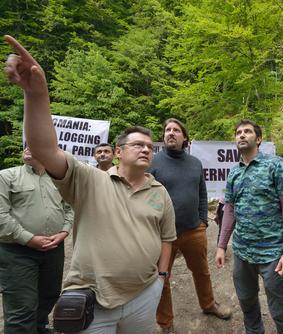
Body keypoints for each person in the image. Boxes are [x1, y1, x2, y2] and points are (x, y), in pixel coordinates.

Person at [4, 35, 177, 334]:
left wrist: (161, 278)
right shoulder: (89, 179)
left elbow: (167, 238)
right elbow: (45, 150)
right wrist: (36, 96)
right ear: (118, 152)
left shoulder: (159, 192)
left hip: (145, 295)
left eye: (150, 146)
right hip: (94, 301)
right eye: (138, 144)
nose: (147, 149)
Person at [216, 119, 283, 334]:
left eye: (247, 132)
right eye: (238, 133)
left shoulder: (275, 165)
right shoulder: (234, 173)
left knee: (280, 308)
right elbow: (230, 210)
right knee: (246, 301)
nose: (241, 135)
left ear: (259, 139)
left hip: (273, 253)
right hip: (242, 253)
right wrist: (221, 245)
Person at [150, 118, 231, 333]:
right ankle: (165, 323)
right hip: (163, 234)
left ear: (184, 137)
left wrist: (203, 221)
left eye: (176, 130)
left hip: (194, 229)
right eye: (167, 130)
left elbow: (202, 192)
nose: (171, 133)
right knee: (163, 277)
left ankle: (208, 304)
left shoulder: (195, 162)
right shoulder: (153, 162)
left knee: (202, 271)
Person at [0, 146, 73, 334]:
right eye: (27, 145)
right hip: (17, 252)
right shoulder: (6, 176)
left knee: (49, 296)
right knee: (21, 306)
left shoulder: (59, 180)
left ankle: (39, 328)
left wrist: (64, 232)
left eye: (35, 144)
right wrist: (29, 239)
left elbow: (70, 208)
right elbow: (1, 215)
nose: (28, 148)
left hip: (54, 249)